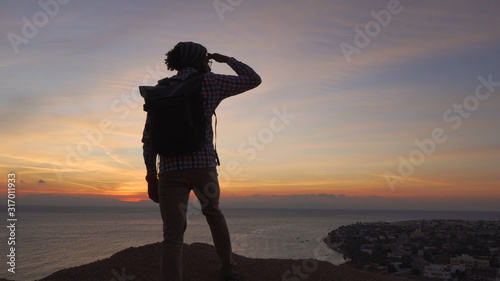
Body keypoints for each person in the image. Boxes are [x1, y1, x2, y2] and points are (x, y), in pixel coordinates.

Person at [142, 41, 261, 281]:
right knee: (213, 214)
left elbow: (149, 139)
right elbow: (253, 79)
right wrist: (226, 59)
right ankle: (228, 269)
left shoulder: (160, 90)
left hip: (169, 171)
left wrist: (150, 176)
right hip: (203, 167)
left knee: (173, 234)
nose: (208, 62)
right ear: (198, 61)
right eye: (205, 59)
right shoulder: (211, 81)